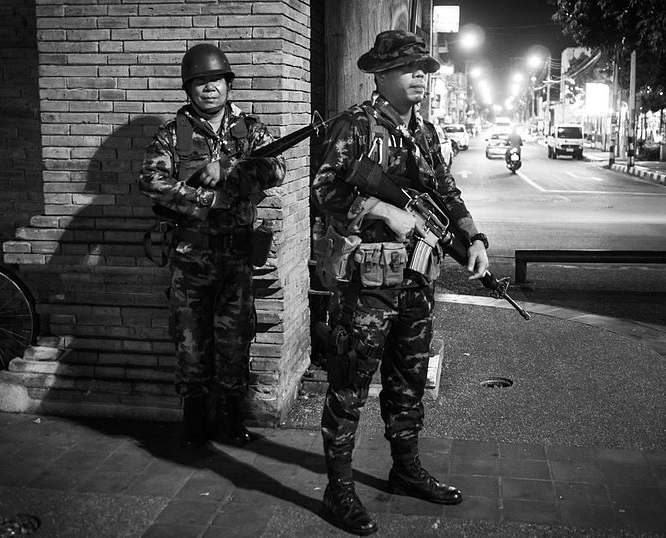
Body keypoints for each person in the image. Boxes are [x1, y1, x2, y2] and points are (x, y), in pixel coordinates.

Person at [311, 30, 490, 535]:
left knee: (407, 375)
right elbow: (323, 188)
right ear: (381, 75)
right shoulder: (355, 127)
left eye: (425, 70)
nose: (420, 77)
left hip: (417, 273)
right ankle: (339, 487)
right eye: (410, 69)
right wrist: (382, 208)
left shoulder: (427, 134)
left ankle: (404, 468)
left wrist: (473, 236)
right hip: (373, 270)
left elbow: (446, 190)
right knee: (350, 380)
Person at [139, 43, 286, 449]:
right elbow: (151, 181)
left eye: (216, 80)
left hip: (237, 256)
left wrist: (230, 170)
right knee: (190, 340)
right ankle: (195, 420)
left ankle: (231, 417)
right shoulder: (173, 134)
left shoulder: (251, 130)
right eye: (200, 81)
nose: (209, 88)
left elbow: (276, 167)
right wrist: (206, 199)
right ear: (189, 89)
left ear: (228, 84)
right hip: (190, 255)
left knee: (236, 339)